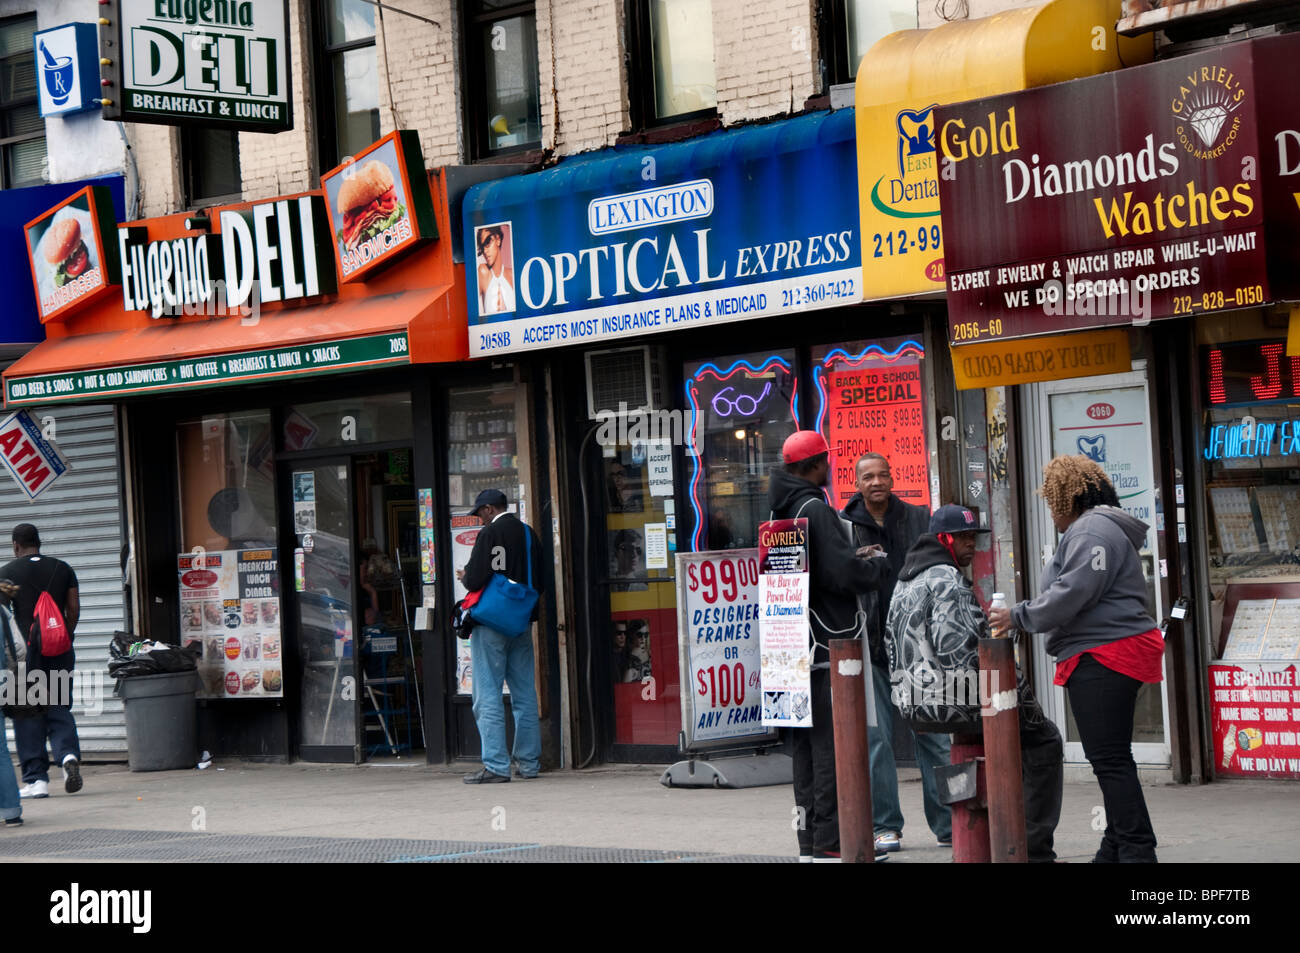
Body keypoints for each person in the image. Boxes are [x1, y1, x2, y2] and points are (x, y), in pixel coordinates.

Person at [988, 456, 1162, 863]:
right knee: (1112, 758)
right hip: (1109, 651)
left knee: (1110, 761)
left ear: (1070, 498)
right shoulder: (1099, 528)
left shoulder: (1092, 529)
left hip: (1104, 654)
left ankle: (1137, 850)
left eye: (1053, 501)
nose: (1051, 511)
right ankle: (1115, 848)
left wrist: (1018, 615)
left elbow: (1072, 592)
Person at [887, 504, 1064, 863]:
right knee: (1044, 741)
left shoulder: (906, 579)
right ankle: (1032, 849)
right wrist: (1019, 690)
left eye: (974, 537)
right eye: (964, 538)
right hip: (955, 698)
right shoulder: (948, 581)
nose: (972, 545)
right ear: (943, 539)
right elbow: (968, 659)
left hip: (910, 700)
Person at [767, 431, 887, 862]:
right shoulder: (814, 507)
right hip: (825, 646)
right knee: (830, 747)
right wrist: (871, 565)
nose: (829, 467)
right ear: (815, 464)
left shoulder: (779, 509)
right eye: (825, 461)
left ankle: (809, 843)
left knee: (803, 749)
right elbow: (839, 575)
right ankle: (831, 841)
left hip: (787, 645)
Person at [840, 451, 948, 853]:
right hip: (870, 648)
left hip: (919, 647)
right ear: (857, 482)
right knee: (878, 742)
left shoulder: (918, 518)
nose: (877, 482)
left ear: (892, 477)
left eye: (882, 475)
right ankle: (886, 826)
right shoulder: (845, 526)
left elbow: (941, 569)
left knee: (934, 737)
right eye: (868, 476)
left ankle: (950, 821)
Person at [457, 490, 544, 783]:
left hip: (492, 622)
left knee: (487, 694)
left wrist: (464, 576)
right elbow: (541, 580)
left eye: (480, 513)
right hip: (521, 621)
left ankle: (496, 765)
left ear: (490, 509)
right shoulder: (529, 534)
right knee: (524, 694)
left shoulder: (490, 534)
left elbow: (475, 578)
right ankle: (529, 764)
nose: (479, 519)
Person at [2, 524, 82, 799]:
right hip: (59, 648)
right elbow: (74, 609)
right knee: (58, 704)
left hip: (23, 654)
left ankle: (36, 780)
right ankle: (68, 755)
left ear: (16, 545)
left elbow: (2, 618)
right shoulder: (63, 568)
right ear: (39, 542)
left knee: (28, 714)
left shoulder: (7, 573)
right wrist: (63, 636)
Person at [476, 225, 515, 315]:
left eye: (488, 242)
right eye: (482, 246)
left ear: (498, 239)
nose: (485, 251)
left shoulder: (512, 275)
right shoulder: (483, 272)